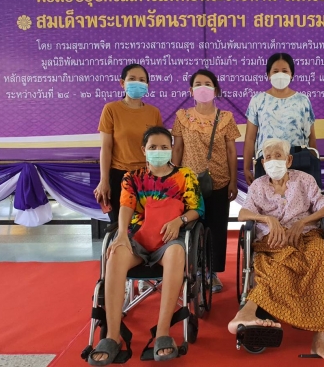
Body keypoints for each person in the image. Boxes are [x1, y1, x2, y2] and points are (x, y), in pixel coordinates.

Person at [88, 126, 204, 365]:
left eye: (164, 147)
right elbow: (126, 206)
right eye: (153, 147)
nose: (158, 151)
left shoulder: (185, 176)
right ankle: (112, 335)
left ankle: (162, 332)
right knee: (115, 253)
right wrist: (122, 234)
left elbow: (197, 209)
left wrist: (179, 221)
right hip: (138, 237)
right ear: (144, 150)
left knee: (176, 252)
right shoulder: (132, 177)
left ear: (171, 149)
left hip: (169, 238)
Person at [228, 138, 324, 360]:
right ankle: (246, 313)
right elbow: (243, 214)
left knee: (321, 260)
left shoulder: (305, 180)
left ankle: (319, 338)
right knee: (274, 265)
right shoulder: (258, 185)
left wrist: (303, 222)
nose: (272, 161)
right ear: (262, 162)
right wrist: (267, 219)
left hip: (306, 237)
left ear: (288, 160)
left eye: (278, 156)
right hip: (272, 241)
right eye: (268, 157)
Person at [172, 69, 241, 293]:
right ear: (191, 90)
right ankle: (193, 271)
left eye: (208, 84)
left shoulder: (226, 117)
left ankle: (212, 274)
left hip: (220, 182)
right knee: (191, 228)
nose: (203, 88)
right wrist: (172, 180)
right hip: (189, 184)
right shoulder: (182, 116)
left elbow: (231, 152)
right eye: (198, 84)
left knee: (216, 228)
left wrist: (233, 181)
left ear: (216, 90)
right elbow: (177, 149)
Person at [94, 64, 163, 224]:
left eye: (142, 80)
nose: (137, 82)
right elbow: (106, 148)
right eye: (132, 79)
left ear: (147, 85)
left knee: (147, 227)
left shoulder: (154, 112)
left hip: (148, 177)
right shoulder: (111, 109)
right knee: (121, 227)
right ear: (122, 83)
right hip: (119, 176)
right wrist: (104, 181)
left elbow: (158, 146)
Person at [243, 53, 317, 185]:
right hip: (267, 163)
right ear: (268, 75)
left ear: (291, 74)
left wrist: (314, 165)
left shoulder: (303, 101)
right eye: (275, 71)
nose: (280, 75)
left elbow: (311, 137)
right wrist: (246, 167)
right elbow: (250, 138)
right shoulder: (258, 100)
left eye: (285, 71)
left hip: (298, 162)